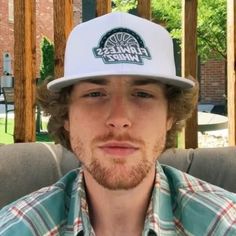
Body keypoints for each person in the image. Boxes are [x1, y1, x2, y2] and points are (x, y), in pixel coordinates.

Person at [0, 12, 235, 236]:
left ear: (169, 116)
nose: (119, 119)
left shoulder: (225, 225)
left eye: (142, 94)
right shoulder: (15, 229)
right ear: (66, 115)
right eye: (95, 94)